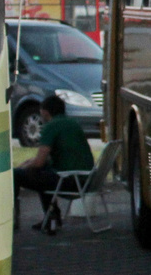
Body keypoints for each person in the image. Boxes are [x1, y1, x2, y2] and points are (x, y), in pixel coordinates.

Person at [13, 94, 95, 234]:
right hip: (87, 179)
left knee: (17, 175)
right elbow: (47, 160)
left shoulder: (51, 126)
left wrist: (21, 168)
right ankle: (52, 216)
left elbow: (39, 162)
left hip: (70, 181)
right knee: (42, 174)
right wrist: (28, 163)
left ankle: (14, 219)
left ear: (45, 112)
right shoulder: (72, 123)